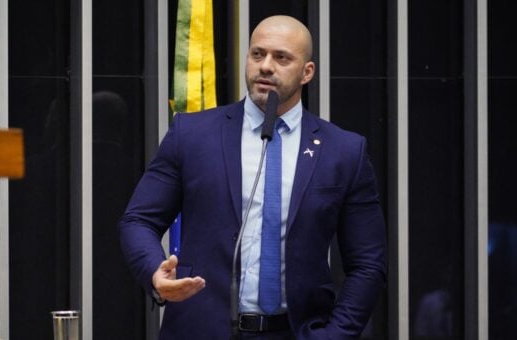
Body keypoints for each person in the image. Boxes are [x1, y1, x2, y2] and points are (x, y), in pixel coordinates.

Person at [119, 15, 387, 339]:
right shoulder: (191, 134)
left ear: (307, 72)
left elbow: (368, 264)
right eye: (257, 54)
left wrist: (334, 335)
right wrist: (154, 273)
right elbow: (139, 219)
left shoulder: (343, 151)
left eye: (281, 57)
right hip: (199, 329)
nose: (265, 66)